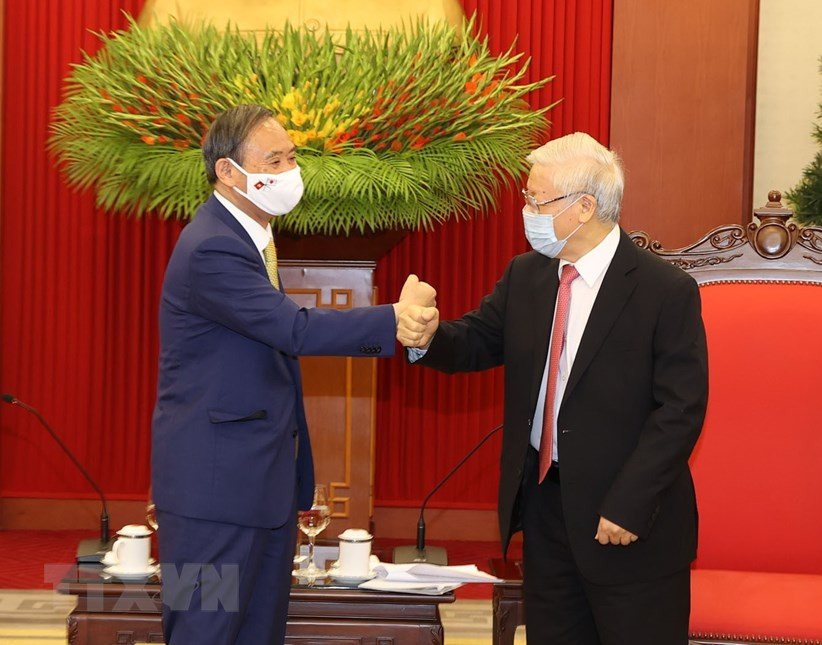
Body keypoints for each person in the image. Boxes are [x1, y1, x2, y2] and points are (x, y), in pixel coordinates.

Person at [397, 132, 708, 645]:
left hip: (627, 519)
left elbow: (680, 410)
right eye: (527, 198)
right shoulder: (528, 275)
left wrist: (628, 503)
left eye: (537, 200)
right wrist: (428, 336)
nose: (527, 210)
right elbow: (475, 340)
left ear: (585, 206)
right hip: (545, 508)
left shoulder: (664, 290)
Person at [151, 104, 435, 645]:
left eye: (291, 158)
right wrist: (393, 320)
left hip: (259, 489)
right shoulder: (213, 246)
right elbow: (294, 330)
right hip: (213, 498)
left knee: (258, 635)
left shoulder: (249, 240)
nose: (288, 172)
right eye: (273, 161)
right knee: (204, 633)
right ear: (228, 173)